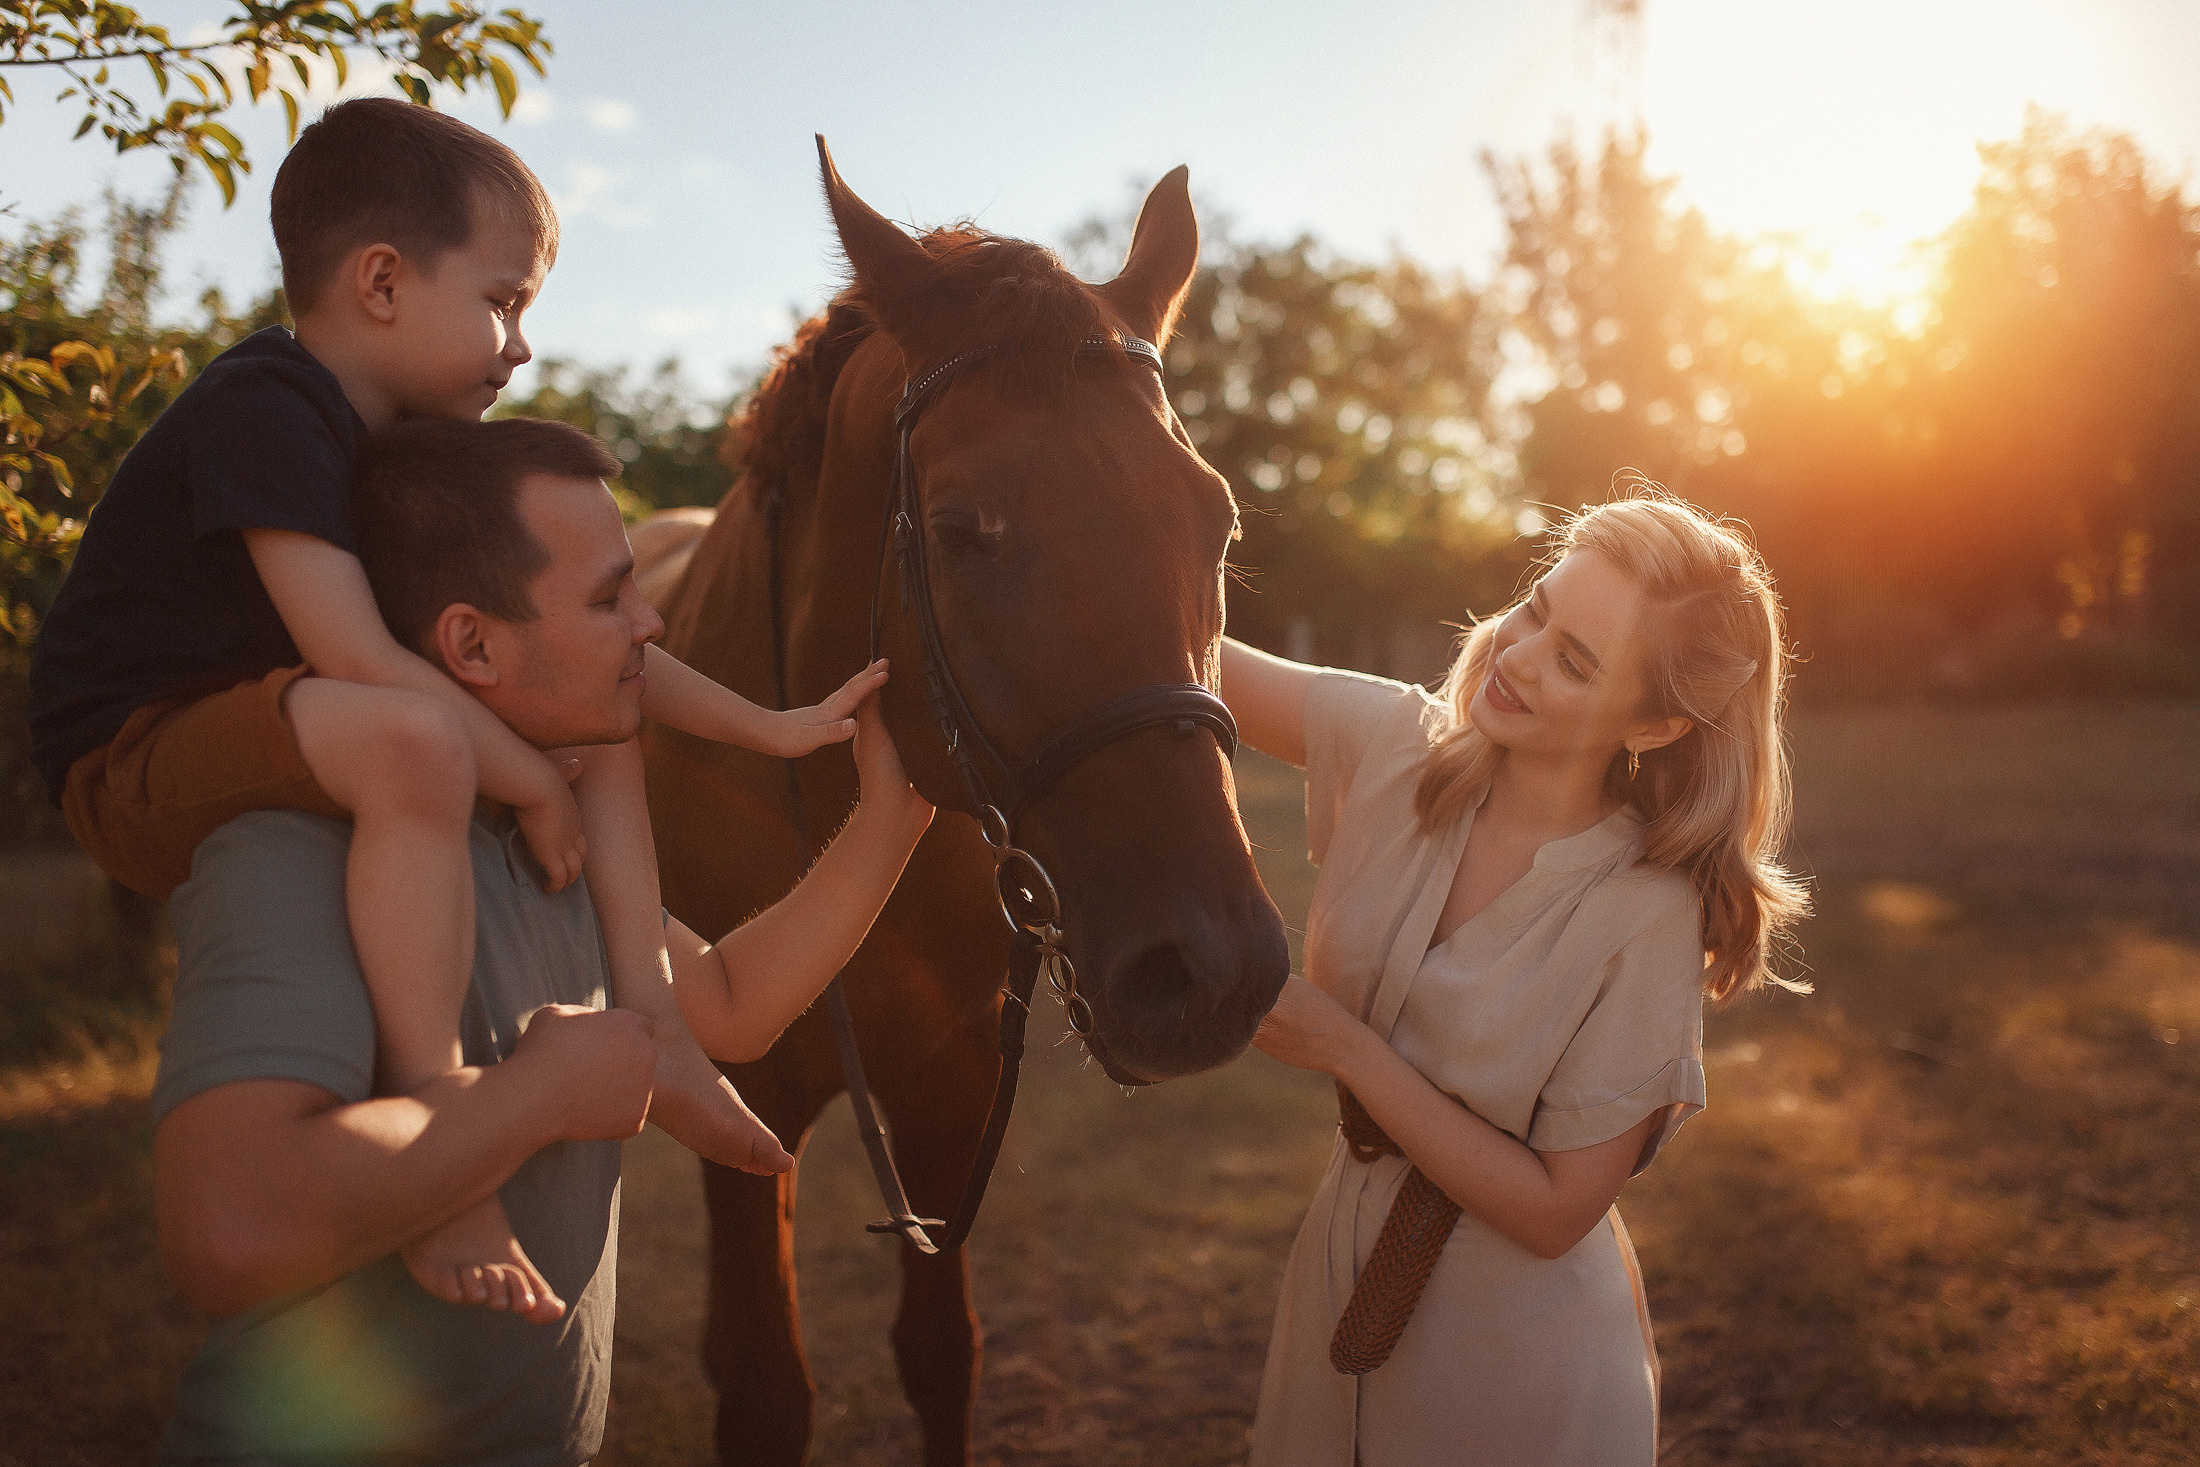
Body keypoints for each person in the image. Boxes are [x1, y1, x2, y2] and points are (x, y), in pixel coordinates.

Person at [25, 96, 870, 1318]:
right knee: (419, 739)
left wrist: (773, 726)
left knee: (597, 723)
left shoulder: (397, 448)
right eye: (502, 300)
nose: (520, 343)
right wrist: (524, 779)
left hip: (283, 709)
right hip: (138, 746)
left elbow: (603, 661)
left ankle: (659, 1020)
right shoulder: (268, 405)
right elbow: (356, 653)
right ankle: (438, 1117)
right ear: (379, 283)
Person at [151, 414, 935, 1465]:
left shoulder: (554, 843)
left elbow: (734, 1006)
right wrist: (536, 1098)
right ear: (471, 642)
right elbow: (228, 1230)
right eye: (612, 597)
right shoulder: (292, 860)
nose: (653, 626)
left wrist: (896, 813)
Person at [1231, 489, 1809, 1466]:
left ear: (1656, 726)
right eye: (1535, 610)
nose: (1517, 656)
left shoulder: (1645, 912)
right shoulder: (1393, 746)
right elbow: (1166, 639)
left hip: (1519, 1358)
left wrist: (1345, 1052)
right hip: (1335, 1274)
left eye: (1575, 662)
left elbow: (1554, 1212)